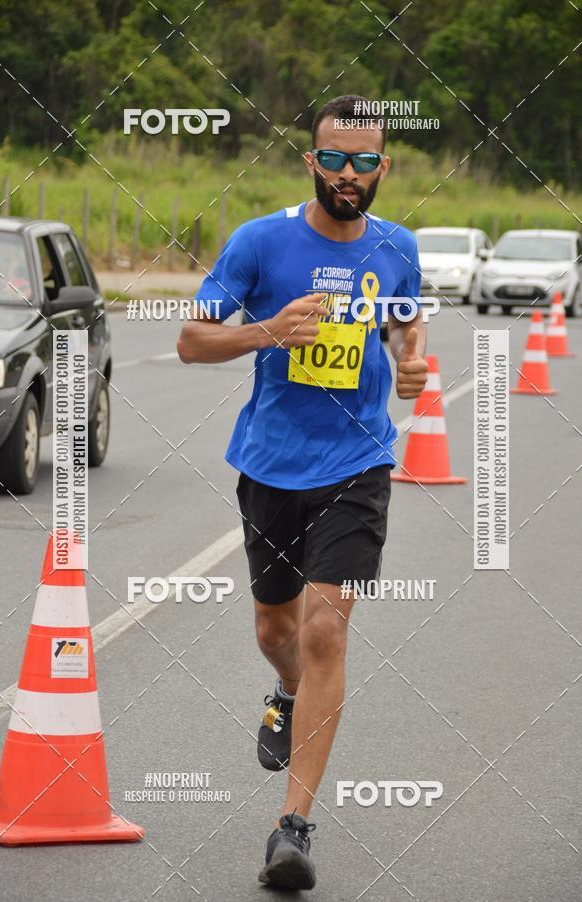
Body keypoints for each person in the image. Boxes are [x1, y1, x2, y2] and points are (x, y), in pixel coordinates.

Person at [177, 93, 429, 891]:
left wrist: (416, 365)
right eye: (333, 159)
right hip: (270, 465)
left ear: (383, 168)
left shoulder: (398, 248)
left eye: (364, 162)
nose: (347, 174)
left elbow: (404, 327)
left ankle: (293, 829)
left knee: (325, 628)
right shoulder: (260, 243)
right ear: (310, 161)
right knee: (275, 629)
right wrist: (267, 331)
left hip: (359, 465)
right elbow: (190, 340)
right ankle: (284, 694)